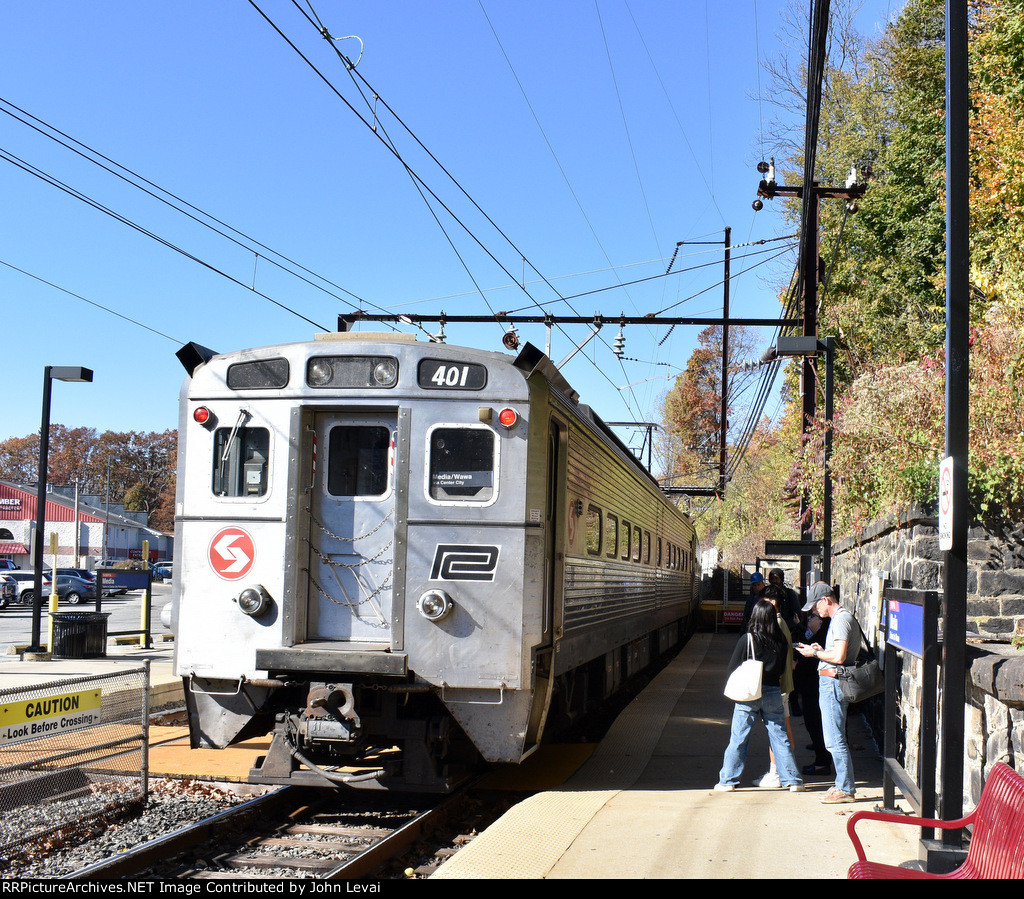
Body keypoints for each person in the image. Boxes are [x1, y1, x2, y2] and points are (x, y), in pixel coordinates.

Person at [715, 599, 805, 793]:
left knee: (739, 737)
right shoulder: (781, 640)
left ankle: (728, 780)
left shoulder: (748, 639)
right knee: (780, 737)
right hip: (773, 692)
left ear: (755, 616)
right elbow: (782, 668)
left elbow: (732, 667)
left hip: (749, 694)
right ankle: (793, 780)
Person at [794, 581, 862, 803]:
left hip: (832, 683)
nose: (815, 611)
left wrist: (815, 655)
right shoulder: (840, 619)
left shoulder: (841, 620)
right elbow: (837, 653)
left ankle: (846, 788)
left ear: (826, 600)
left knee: (834, 740)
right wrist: (821, 650)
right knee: (834, 738)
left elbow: (840, 657)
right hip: (831, 681)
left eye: (815, 606)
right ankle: (842, 784)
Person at [751, 583, 796, 789]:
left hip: (778, 686)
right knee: (782, 730)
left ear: (772, 602)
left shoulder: (775, 623)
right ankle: (784, 773)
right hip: (783, 684)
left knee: (779, 732)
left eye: (764, 600)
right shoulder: (782, 622)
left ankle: (778, 773)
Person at [793, 602, 831, 775]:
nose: (809, 619)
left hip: (815, 688)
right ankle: (820, 753)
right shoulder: (815, 634)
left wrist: (798, 664)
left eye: (813, 616)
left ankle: (822, 762)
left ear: (821, 621)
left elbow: (812, 664)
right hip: (811, 688)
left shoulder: (823, 638)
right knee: (813, 723)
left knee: (815, 722)